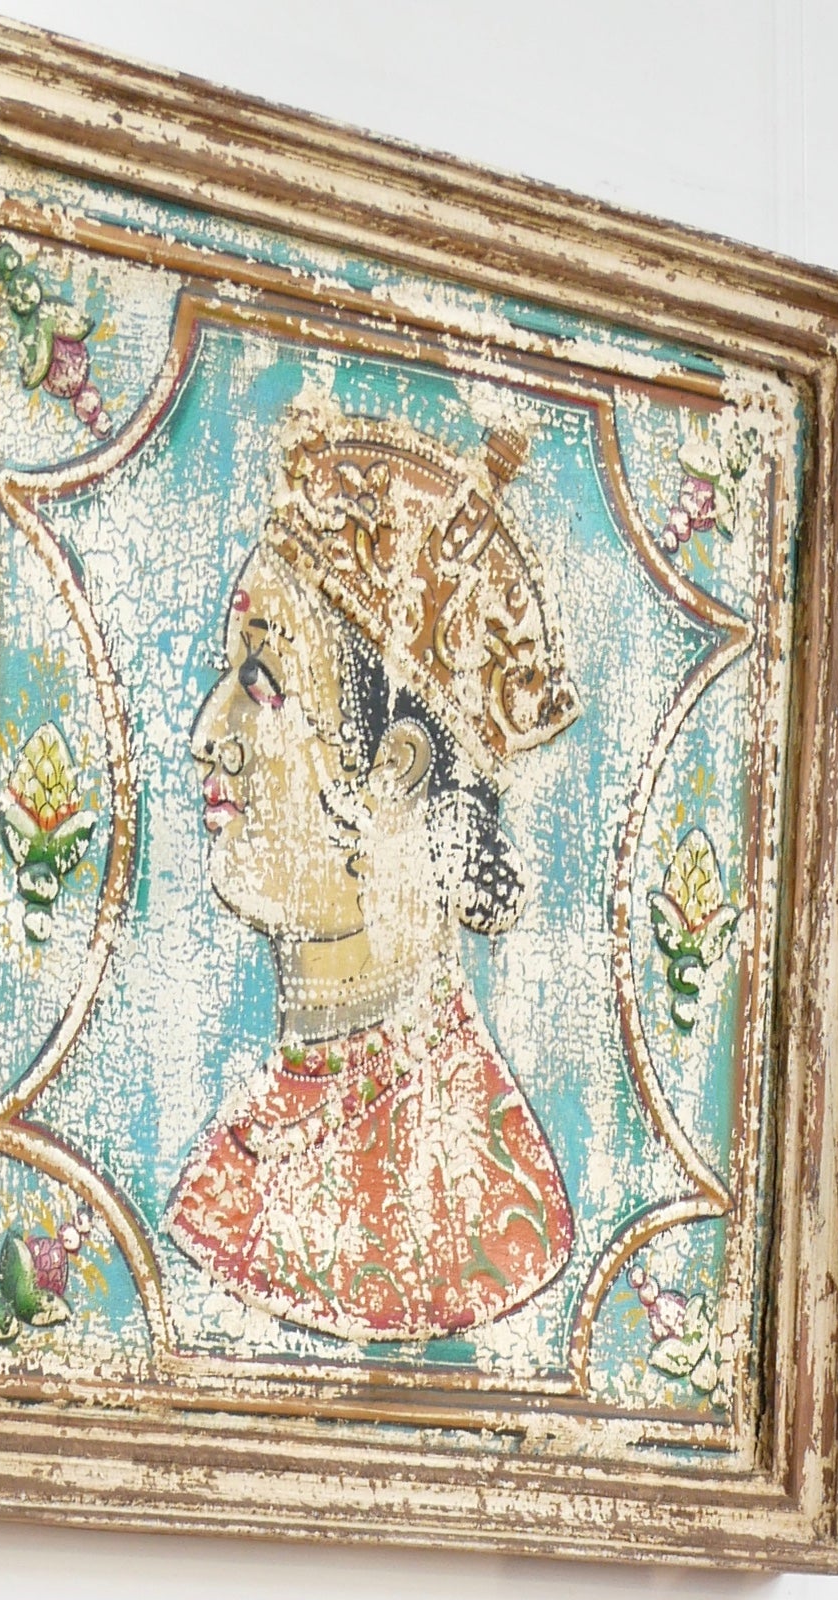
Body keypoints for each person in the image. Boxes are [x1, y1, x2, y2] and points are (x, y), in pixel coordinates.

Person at [169, 398, 582, 1343]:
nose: (208, 737)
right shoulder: (255, 1133)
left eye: (264, 683)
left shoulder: (478, 1205)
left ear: (392, 772)